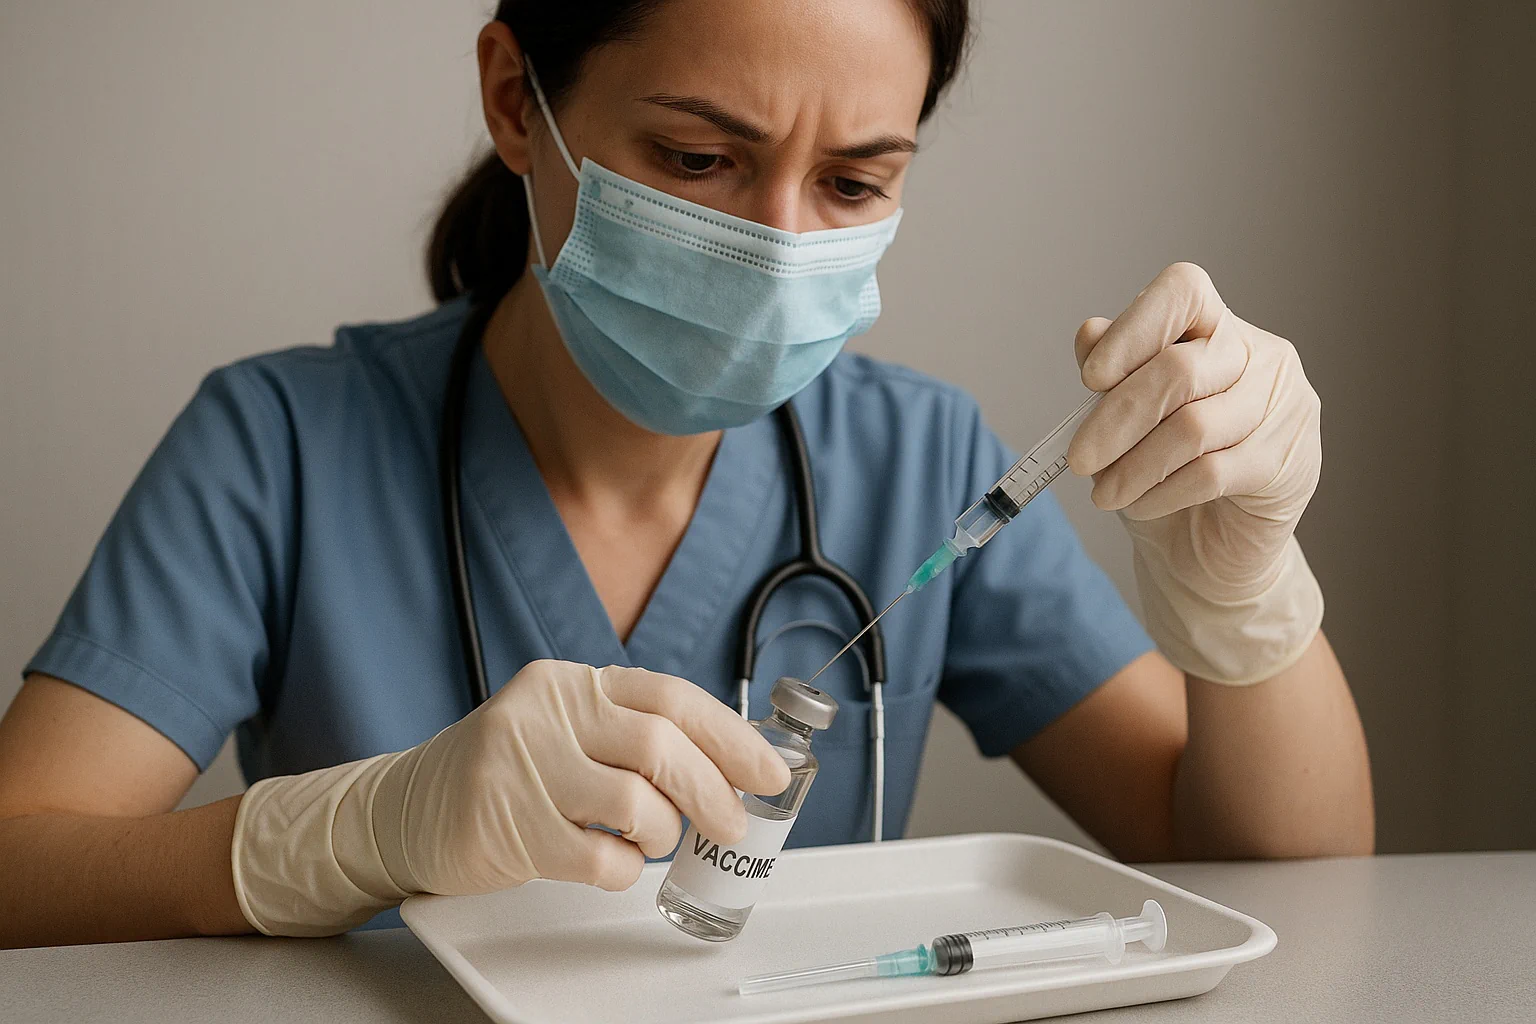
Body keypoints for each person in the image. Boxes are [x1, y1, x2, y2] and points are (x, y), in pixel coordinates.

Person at [0, 0, 1372, 948]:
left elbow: (1284, 884)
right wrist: (355, 832)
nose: (778, 244)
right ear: (513, 101)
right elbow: (18, 867)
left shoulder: (918, 461)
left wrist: (1245, 593)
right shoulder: (278, 448)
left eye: (851, 185)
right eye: (701, 158)